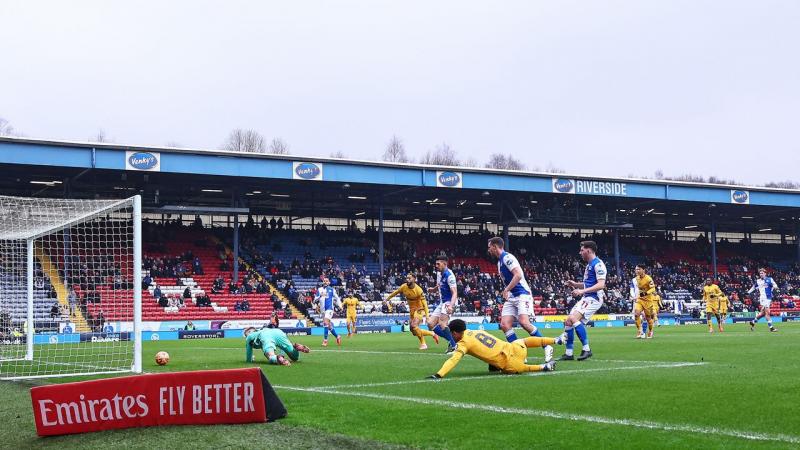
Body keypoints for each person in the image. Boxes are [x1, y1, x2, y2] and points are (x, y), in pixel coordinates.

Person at [486, 237, 553, 362]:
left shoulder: (507, 257)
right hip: (512, 296)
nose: (488, 249)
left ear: (495, 246)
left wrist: (506, 289)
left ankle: (547, 346)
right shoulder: (499, 262)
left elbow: (518, 275)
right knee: (505, 325)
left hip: (522, 294)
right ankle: (519, 352)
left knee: (524, 323)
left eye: (489, 247)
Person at [428, 319, 563, 379]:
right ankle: (556, 340)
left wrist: (439, 374)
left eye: (452, 334)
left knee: (519, 368)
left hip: (510, 364)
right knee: (523, 341)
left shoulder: (463, 343)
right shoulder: (471, 331)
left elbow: (453, 360)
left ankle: (543, 367)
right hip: (515, 348)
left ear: (455, 333)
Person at [560, 241, 606, 361]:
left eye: (582, 250)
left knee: (573, 319)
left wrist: (581, 292)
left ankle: (587, 349)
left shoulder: (598, 264)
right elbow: (588, 284)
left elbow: (601, 285)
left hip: (594, 297)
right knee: (568, 321)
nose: (580, 252)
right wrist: (576, 284)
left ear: (589, 250)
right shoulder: (589, 265)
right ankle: (569, 353)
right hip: (588, 297)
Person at [386, 273, 439, 350]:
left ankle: (423, 344)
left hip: (419, 309)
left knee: (414, 326)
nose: (407, 280)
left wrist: (427, 316)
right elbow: (396, 292)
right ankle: (432, 333)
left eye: (409, 278)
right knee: (413, 331)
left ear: (414, 279)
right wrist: (387, 299)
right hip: (412, 310)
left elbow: (425, 304)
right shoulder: (404, 286)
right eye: (407, 278)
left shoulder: (418, 290)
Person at [426, 257, 459, 354]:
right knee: (430, 324)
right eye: (436, 264)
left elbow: (454, 293)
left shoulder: (450, 276)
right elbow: (440, 285)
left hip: (450, 301)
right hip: (442, 302)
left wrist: (450, 306)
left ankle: (454, 346)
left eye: (438, 264)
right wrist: (433, 289)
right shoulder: (439, 274)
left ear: (445, 264)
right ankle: (452, 340)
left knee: (442, 323)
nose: (436, 266)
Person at [244, 327, 310, 366]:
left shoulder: (249, 337)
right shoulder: (263, 329)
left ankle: (278, 358)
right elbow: (282, 348)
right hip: (278, 332)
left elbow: (249, 352)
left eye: (245, 333)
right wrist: (282, 354)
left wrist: (249, 361)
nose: (246, 336)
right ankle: (295, 347)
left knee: (270, 356)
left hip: (266, 336)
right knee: (295, 358)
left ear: (249, 332)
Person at [315, 277, 342, 346]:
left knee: (325, 322)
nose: (325, 282)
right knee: (328, 326)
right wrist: (319, 297)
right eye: (324, 281)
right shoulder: (319, 289)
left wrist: (340, 306)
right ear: (322, 282)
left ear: (329, 282)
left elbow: (337, 298)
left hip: (329, 309)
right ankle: (337, 336)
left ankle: (325, 341)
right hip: (322, 310)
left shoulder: (332, 289)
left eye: (327, 281)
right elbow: (315, 299)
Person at [634, 265, 657, 339]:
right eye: (636, 269)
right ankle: (640, 331)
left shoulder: (648, 279)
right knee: (636, 314)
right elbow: (640, 289)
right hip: (640, 300)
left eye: (638, 269)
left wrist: (645, 293)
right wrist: (637, 295)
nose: (637, 271)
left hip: (648, 301)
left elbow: (653, 289)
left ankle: (650, 331)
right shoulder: (637, 278)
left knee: (648, 318)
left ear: (643, 270)